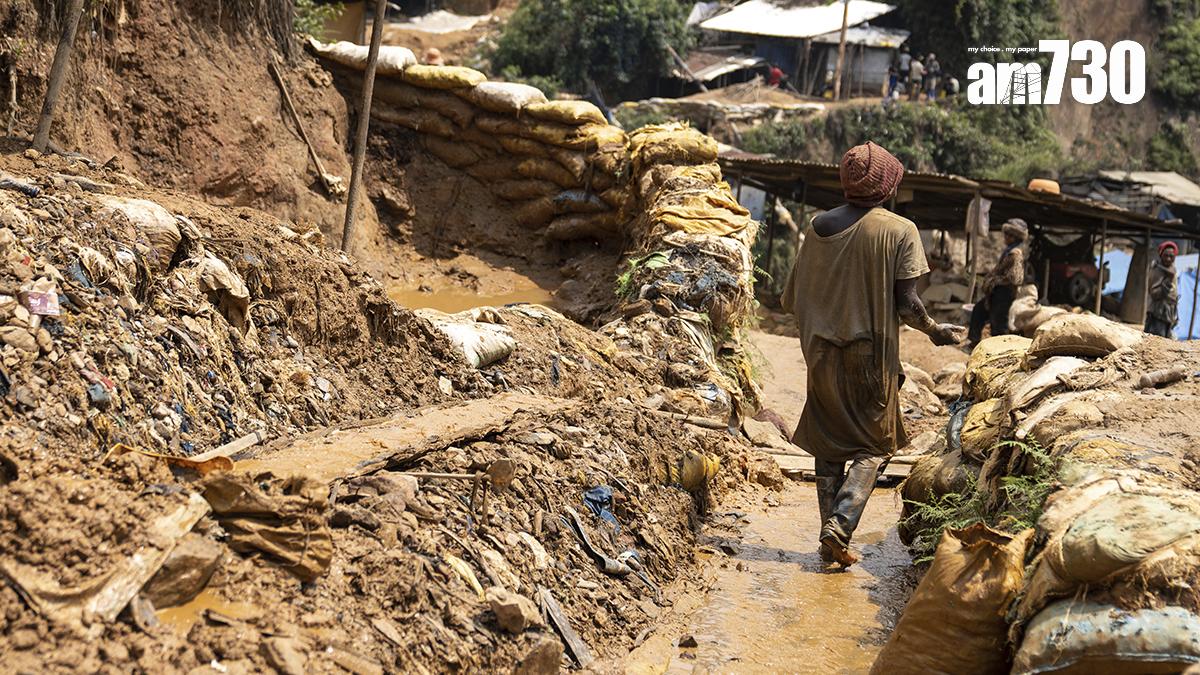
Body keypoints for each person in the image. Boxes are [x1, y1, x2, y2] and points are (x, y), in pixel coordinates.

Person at [781, 142, 966, 568]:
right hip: (869, 353)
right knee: (875, 445)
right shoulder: (900, 230)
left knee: (827, 443)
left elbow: (793, 296)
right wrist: (935, 331)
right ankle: (841, 525)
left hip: (820, 351)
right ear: (888, 185)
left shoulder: (816, 226)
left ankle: (830, 533)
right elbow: (908, 304)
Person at [968, 218, 1028, 346]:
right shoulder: (1008, 252)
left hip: (1005, 293)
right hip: (997, 292)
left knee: (998, 324)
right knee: (979, 311)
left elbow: (1016, 278)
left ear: (1014, 237)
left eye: (1007, 234)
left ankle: (1001, 349)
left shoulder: (1015, 254)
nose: (1005, 237)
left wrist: (994, 280)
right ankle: (974, 343)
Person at [1145, 241, 1180, 338]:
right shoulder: (1157, 270)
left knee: (1166, 338)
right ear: (1161, 255)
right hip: (1157, 313)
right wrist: (1164, 288)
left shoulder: (1172, 270)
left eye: (1171, 256)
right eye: (1166, 255)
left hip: (1168, 313)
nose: (1168, 259)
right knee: (1156, 339)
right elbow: (1153, 293)